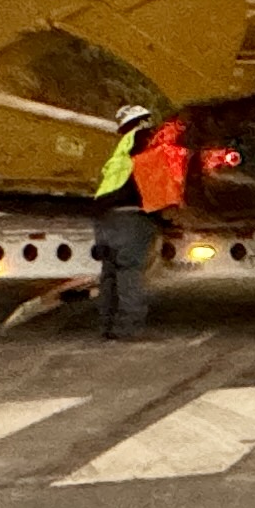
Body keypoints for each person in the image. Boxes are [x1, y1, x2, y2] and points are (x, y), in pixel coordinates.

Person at [92, 106, 171, 340]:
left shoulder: (122, 147)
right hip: (132, 216)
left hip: (106, 215)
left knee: (109, 272)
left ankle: (107, 326)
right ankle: (127, 328)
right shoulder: (145, 138)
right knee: (129, 272)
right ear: (143, 120)